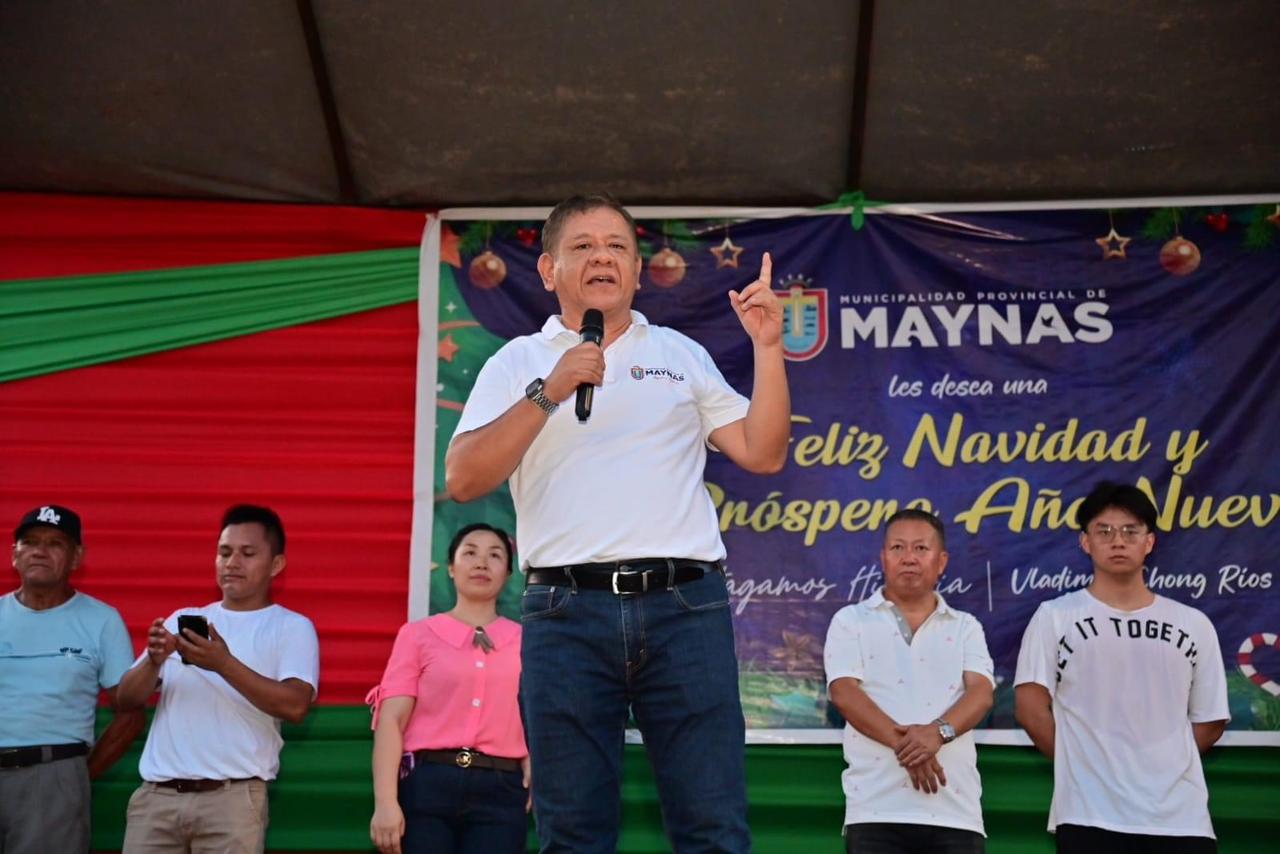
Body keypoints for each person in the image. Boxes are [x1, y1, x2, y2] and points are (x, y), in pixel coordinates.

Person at [445, 193, 790, 852]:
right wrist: (549, 389)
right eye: (582, 246)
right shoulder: (518, 362)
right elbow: (463, 478)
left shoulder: (681, 354)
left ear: (636, 270)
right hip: (566, 614)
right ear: (548, 270)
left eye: (617, 247)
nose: (602, 257)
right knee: (572, 833)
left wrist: (768, 348)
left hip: (685, 609)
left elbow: (764, 451)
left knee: (714, 826)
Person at [1015, 481, 1229, 853]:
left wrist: (1160, 764)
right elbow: (1031, 709)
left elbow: (1210, 720)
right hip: (1089, 815)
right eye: (1104, 531)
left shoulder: (1193, 624)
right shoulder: (1054, 617)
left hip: (1181, 819)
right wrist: (1084, 766)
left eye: (1131, 531)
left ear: (1150, 542)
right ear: (1086, 542)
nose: (1118, 541)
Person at [116, 504, 320, 854]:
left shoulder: (292, 627)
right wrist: (153, 661)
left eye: (248, 553)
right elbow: (124, 700)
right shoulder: (183, 618)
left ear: (276, 565)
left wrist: (223, 663)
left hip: (233, 802)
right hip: (157, 800)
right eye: (224, 552)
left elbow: (296, 705)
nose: (232, 562)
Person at [824, 508, 995, 853]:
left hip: (954, 812)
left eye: (921, 549)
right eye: (898, 548)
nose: (909, 558)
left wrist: (938, 733)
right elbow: (843, 694)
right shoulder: (851, 621)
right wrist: (916, 748)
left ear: (942, 560)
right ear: (883, 557)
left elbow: (981, 694)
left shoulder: (965, 626)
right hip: (875, 809)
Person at [368, 522, 529, 854]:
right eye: (470, 553)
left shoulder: (528, 642)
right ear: (451, 568)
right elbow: (391, 720)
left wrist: (534, 759)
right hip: (427, 785)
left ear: (509, 574)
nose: (481, 563)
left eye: (495, 555)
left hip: (501, 788)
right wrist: (385, 802)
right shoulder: (417, 635)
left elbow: (541, 714)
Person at [1, 504, 144, 854]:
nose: (39, 551)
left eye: (55, 543)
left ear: (77, 557)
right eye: (30, 542)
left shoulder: (102, 621)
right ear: (14, 555)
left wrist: (78, 773)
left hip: (53, 777)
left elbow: (131, 713)